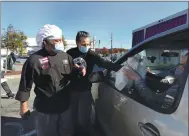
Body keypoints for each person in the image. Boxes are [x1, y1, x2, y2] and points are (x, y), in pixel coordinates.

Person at [15, 24, 86, 136]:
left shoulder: (65, 56)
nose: (60, 43)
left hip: (65, 106)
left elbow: (72, 71)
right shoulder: (34, 60)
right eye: (56, 41)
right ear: (45, 42)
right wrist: (23, 108)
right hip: (46, 109)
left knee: (67, 132)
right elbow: (25, 85)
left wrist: (79, 70)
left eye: (60, 40)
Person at [67, 31, 123, 136]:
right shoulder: (70, 53)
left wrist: (123, 69)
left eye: (88, 44)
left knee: (84, 119)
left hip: (85, 91)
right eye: (83, 44)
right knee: (71, 117)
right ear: (77, 43)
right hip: (71, 91)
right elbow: (63, 67)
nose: (86, 46)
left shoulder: (92, 55)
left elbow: (106, 63)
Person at [123, 51, 188, 108]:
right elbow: (165, 77)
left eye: (183, 66)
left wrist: (137, 78)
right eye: (179, 65)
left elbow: (154, 100)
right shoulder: (180, 81)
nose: (178, 68)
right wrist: (148, 74)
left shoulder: (179, 89)